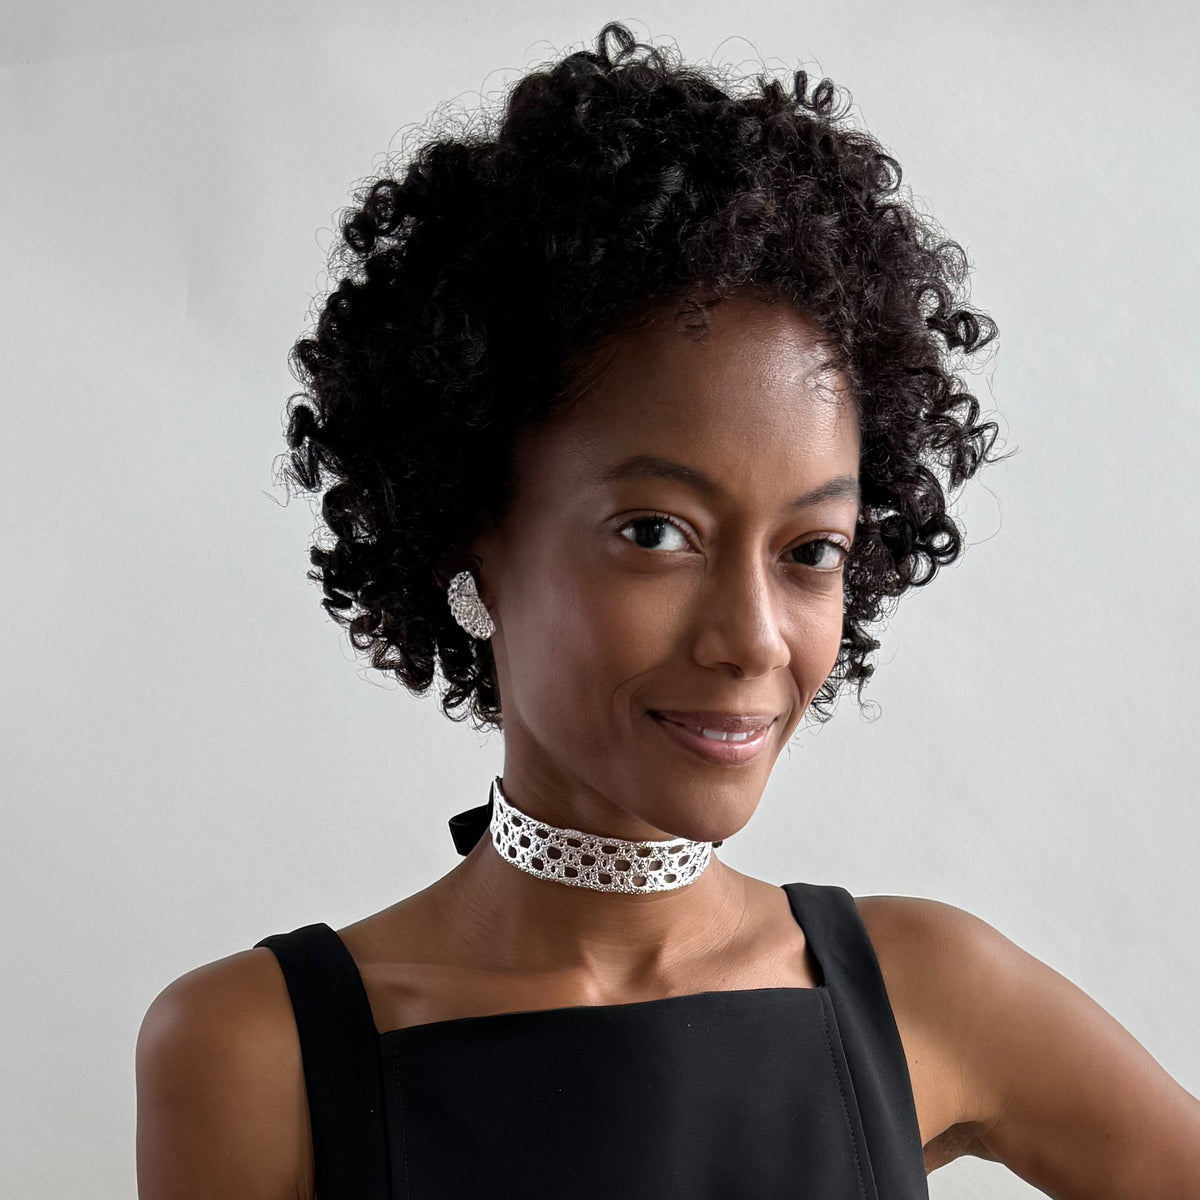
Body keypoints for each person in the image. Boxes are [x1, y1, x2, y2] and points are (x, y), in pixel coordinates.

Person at [134, 22, 1200, 1199]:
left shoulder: (928, 994)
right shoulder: (257, 1053)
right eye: (656, 533)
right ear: (469, 545)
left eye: (811, 550)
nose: (751, 638)